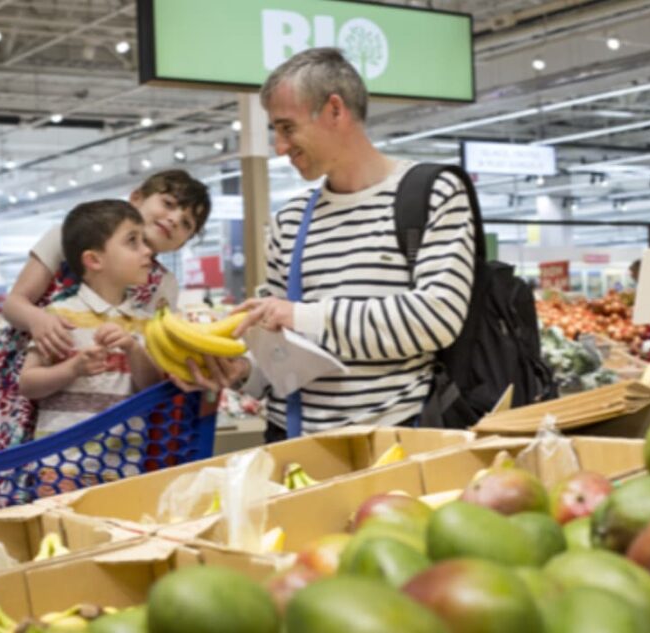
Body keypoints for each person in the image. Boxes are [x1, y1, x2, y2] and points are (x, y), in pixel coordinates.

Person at [175, 48, 476, 441]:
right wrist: (246, 372)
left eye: (287, 128)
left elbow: (435, 319)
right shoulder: (291, 218)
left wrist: (299, 316)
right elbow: (285, 351)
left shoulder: (431, 193)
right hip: (293, 438)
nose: (280, 147)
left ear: (335, 110)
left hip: (393, 440)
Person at [0, 170, 211, 457]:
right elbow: (14, 302)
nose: (174, 219)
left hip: (103, 404)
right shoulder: (67, 238)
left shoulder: (164, 284)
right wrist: (38, 319)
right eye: (168, 204)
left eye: (187, 223)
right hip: (31, 368)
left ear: (183, 243)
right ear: (136, 198)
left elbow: (154, 348)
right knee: (2, 466)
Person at [19, 200, 160, 436]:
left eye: (144, 241)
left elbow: (153, 388)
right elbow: (27, 384)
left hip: (125, 462)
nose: (147, 250)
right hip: (61, 462)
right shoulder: (59, 316)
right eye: (132, 241)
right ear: (94, 260)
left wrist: (134, 349)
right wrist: (72, 369)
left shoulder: (147, 322)